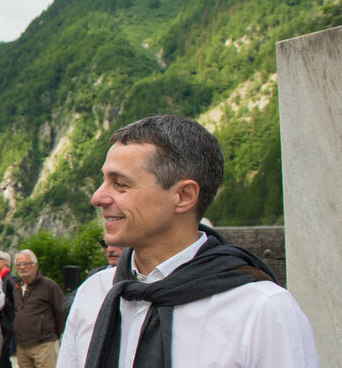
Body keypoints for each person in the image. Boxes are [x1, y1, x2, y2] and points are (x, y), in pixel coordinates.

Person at [58, 114, 318, 367]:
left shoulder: (263, 310)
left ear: (183, 195)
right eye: (103, 181)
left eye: (120, 184)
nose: (97, 197)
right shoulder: (94, 294)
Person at [11, 250, 62, 368]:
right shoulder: (17, 288)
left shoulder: (49, 285)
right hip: (22, 345)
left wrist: (54, 334)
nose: (22, 267)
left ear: (36, 265)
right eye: (19, 264)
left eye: (26, 264)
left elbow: (60, 311)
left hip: (44, 344)